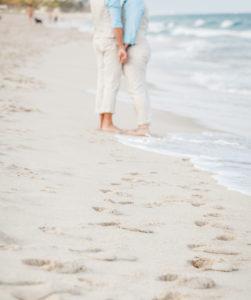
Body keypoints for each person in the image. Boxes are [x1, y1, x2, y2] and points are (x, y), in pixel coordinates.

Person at [90, 0, 127, 133]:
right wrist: (121, 46)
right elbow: (116, 23)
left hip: (97, 39)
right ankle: (107, 123)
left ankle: (101, 122)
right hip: (110, 41)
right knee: (112, 82)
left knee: (102, 81)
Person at [122, 0, 151, 136]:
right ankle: (143, 125)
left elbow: (132, 29)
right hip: (140, 46)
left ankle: (143, 127)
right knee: (139, 88)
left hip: (135, 47)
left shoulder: (134, 2)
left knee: (137, 89)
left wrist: (123, 48)